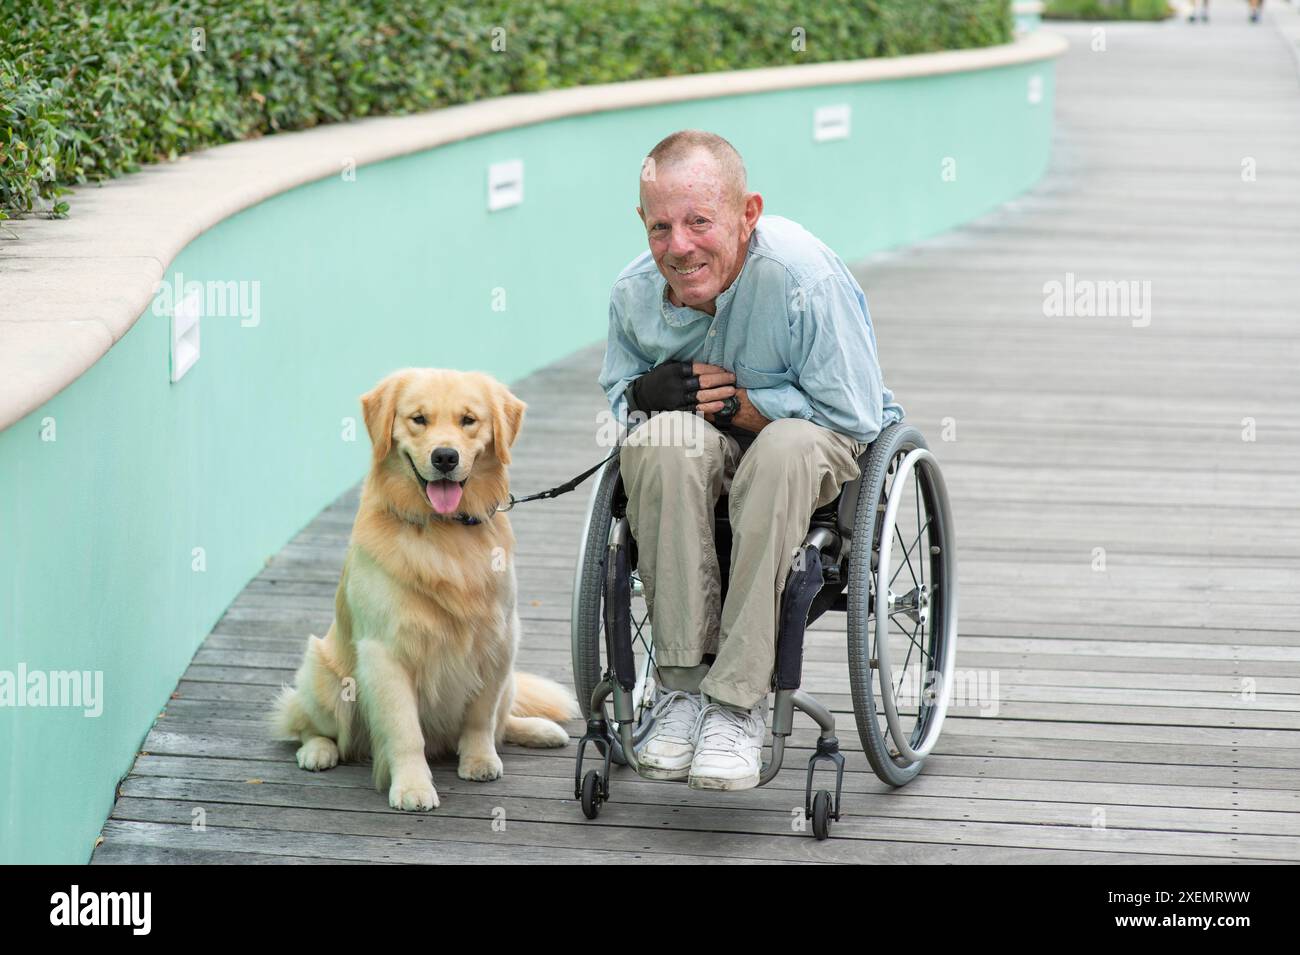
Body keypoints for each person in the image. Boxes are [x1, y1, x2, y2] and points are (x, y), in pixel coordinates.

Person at [597, 130, 903, 790]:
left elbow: (854, 415)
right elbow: (620, 404)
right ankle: (680, 690)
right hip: (701, 456)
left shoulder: (803, 280)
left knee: (782, 450)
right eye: (661, 227)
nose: (678, 247)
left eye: (699, 221)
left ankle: (735, 703)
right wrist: (643, 395)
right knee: (660, 444)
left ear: (748, 213)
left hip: (809, 442)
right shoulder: (633, 293)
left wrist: (741, 405)